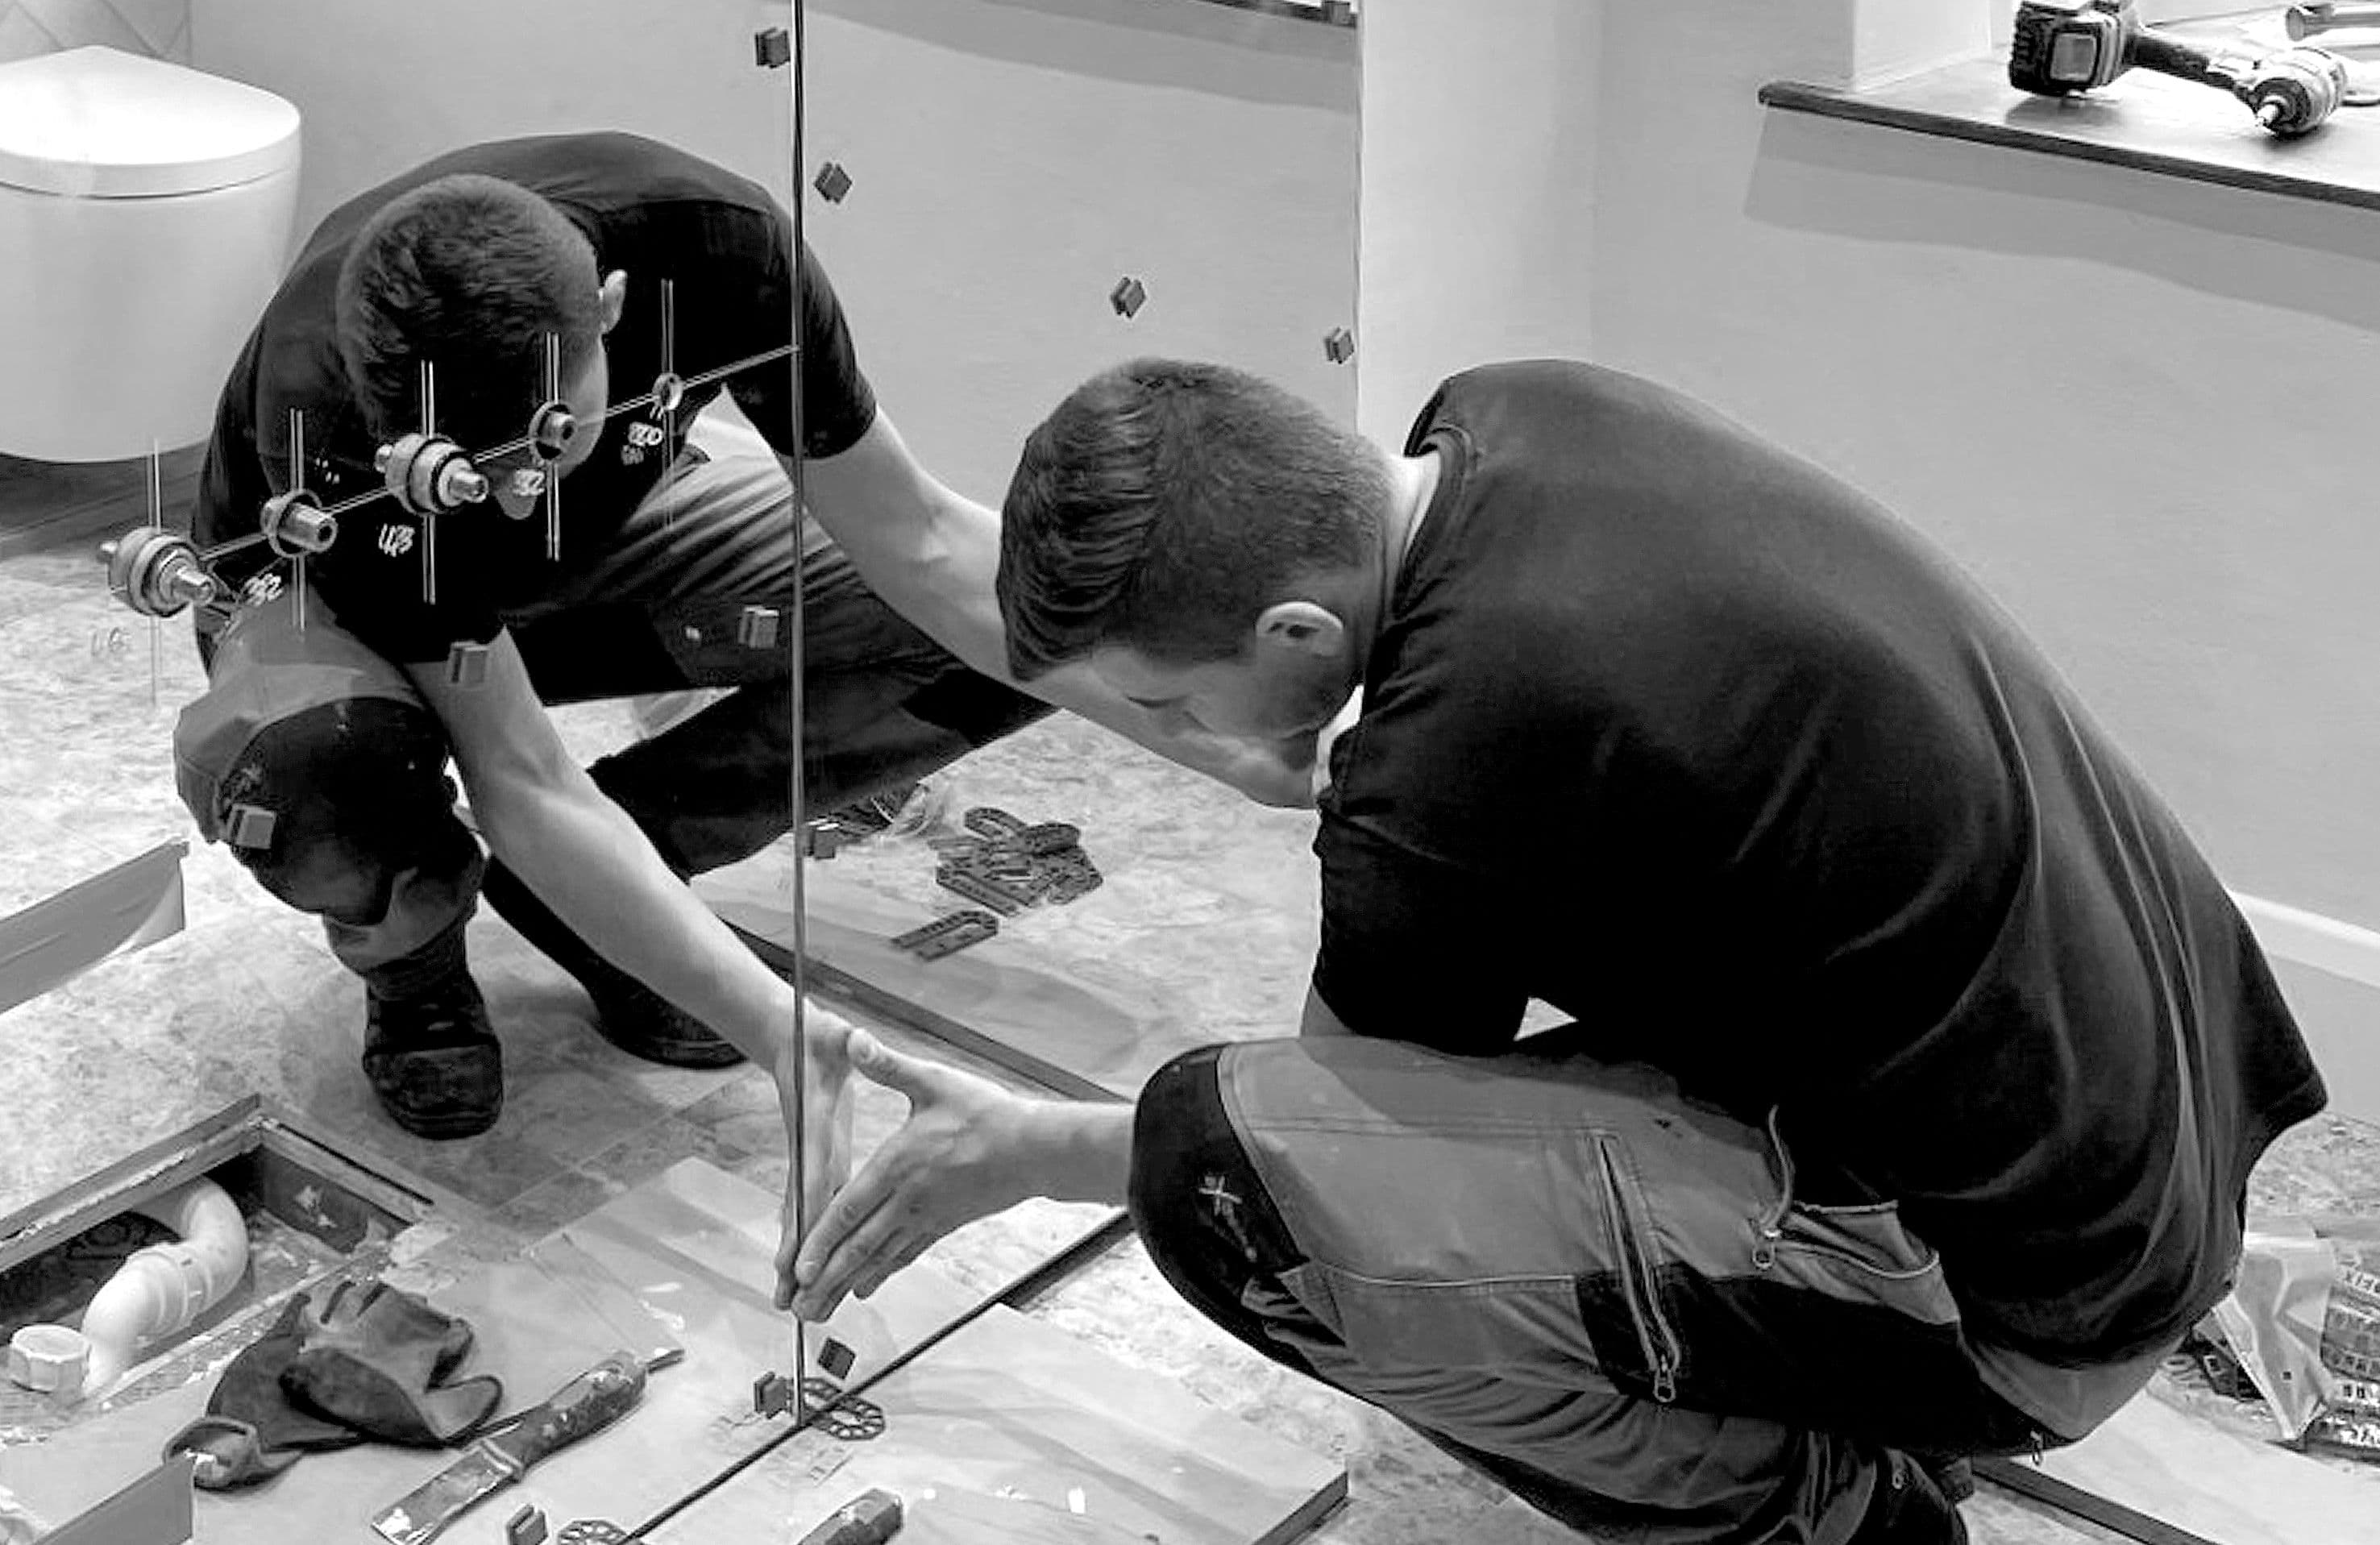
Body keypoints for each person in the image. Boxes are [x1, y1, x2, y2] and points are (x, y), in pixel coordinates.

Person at [783, 358, 2330, 1543]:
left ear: (1296, 637)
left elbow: (1312, 1153)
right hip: (2164, 1131)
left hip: (2035, 1305)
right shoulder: (1513, 414)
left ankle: (1832, 1511)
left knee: (1222, 1184)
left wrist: (1036, 1150)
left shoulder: (1457, 750)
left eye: (1173, 704)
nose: (1177, 745)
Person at [171, 135, 1303, 1217]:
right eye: (476, 468)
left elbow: (919, 541)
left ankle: (628, 878)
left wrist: (1219, 748)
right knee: (329, 771)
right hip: (334, 606)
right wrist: (776, 1026)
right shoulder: (328, 413)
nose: (512, 492)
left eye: (542, 444)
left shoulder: (722, 254)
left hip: (601, 549)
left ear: (610, 311)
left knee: (1018, 622)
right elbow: (519, 772)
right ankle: (417, 967)